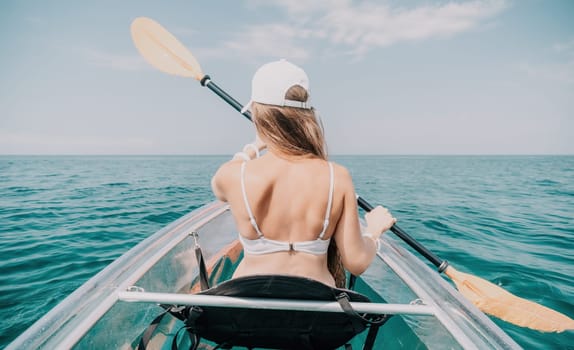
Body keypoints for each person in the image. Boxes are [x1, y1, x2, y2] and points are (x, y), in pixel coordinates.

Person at [211, 59, 396, 287]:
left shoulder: (234, 176)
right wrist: (374, 231)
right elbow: (356, 262)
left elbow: (221, 187)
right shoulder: (336, 176)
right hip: (314, 314)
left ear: (257, 114)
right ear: (307, 115)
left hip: (247, 307)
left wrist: (253, 146)